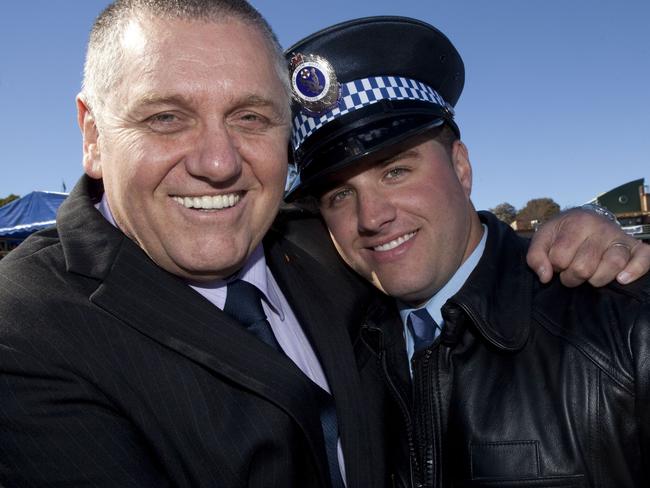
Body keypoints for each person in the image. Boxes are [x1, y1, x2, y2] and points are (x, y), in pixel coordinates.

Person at [0, 2, 645, 486]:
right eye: (166, 117)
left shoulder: (612, 323)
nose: (373, 217)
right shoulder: (29, 327)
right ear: (91, 133)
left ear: (464, 166)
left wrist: (583, 229)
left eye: (249, 118)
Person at [284, 16, 650, 487]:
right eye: (339, 195)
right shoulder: (340, 353)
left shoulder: (621, 326)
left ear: (461, 168)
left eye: (395, 171)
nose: (371, 217)